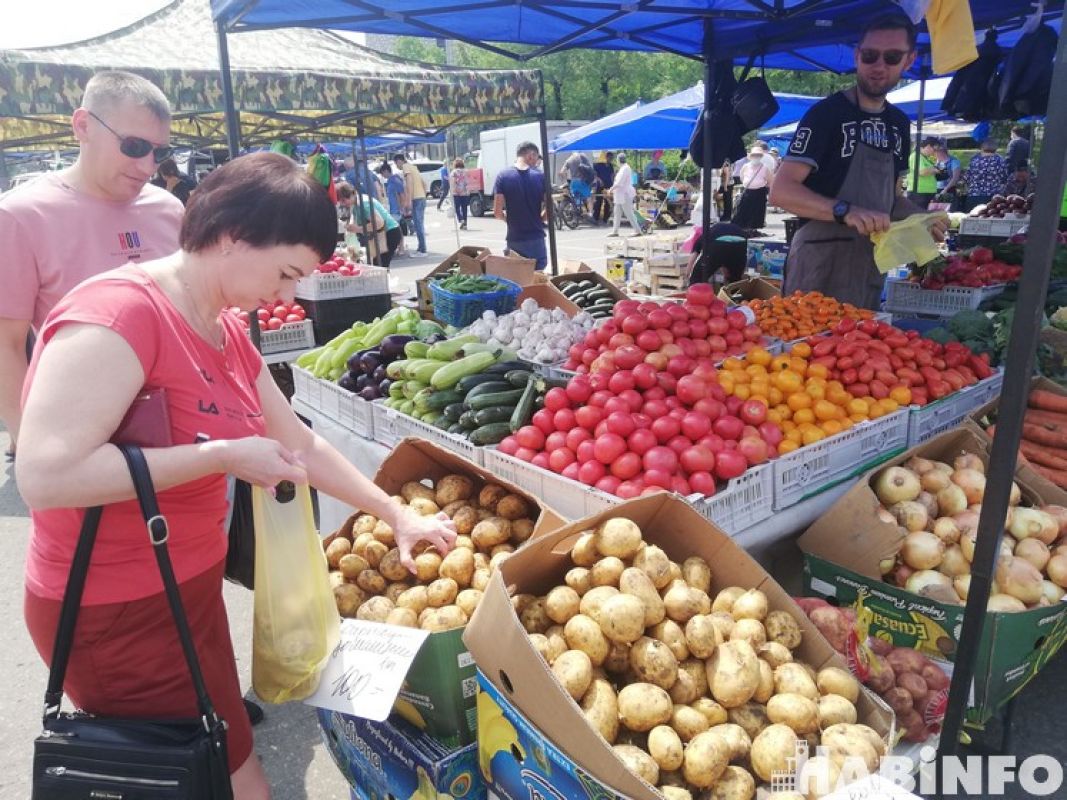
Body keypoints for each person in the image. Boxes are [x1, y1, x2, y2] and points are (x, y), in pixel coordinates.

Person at [16, 152, 458, 800]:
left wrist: (395, 513)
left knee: (217, 755)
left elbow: (298, 442)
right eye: (283, 273)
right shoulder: (120, 315)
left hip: (184, 588)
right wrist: (219, 456)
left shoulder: (223, 326)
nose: (284, 296)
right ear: (231, 237)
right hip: (112, 609)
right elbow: (46, 476)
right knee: (211, 774)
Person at [0, 71, 184, 461]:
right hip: (83, 440)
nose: (148, 165)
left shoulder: (169, 210)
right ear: (83, 126)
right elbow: (7, 344)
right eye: (134, 146)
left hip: (183, 431)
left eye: (160, 152)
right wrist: (31, 446)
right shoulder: (21, 215)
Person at [769, 15, 944, 310]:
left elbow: (893, 199)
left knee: (858, 350)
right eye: (870, 55)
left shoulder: (899, 125)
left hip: (868, 263)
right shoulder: (826, 115)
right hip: (818, 260)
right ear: (857, 55)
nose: (879, 66)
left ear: (909, 60)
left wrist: (920, 219)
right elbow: (781, 191)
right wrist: (844, 210)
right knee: (804, 350)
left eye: (891, 57)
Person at [493, 141, 547, 270]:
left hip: (515, 239)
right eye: (536, 158)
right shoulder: (540, 176)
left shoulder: (503, 176)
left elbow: (497, 212)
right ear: (530, 155)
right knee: (538, 278)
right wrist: (540, 219)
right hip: (536, 238)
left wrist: (508, 219)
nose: (536, 163)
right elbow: (550, 208)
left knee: (517, 278)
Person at [337, 181, 403, 268]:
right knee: (379, 265)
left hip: (389, 233)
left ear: (351, 194)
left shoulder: (363, 203)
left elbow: (378, 223)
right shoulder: (357, 203)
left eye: (344, 200)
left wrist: (358, 229)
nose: (343, 204)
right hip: (386, 234)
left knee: (380, 266)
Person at [731, 146, 774, 230]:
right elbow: (742, 177)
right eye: (754, 155)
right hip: (748, 191)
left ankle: (754, 227)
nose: (756, 157)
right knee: (744, 209)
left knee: (757, 210)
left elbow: (769, 180)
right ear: (751, 156)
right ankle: (742, 226)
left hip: (759, 191)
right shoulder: (746, 166)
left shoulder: (764, 168)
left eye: (758, 155)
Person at [393, 153, 427, 254]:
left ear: (400, 161)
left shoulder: (406, 167)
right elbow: (424, 183)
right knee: (419, 224)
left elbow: (409, 184)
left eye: (396, 164)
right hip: (421, 197)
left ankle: (422, 249)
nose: (397, 166)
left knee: (418, 224)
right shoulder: (414, 167)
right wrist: (423, 194)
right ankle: (421, 247)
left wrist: (409, 200)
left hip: (416, 198)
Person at [964, 139, 1010, 211]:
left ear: (982, 148)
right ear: (995, 148)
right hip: (994, 197)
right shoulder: (1000, 161)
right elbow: (1004, 178)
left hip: (975, 195)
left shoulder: (974, 160)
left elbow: (967, 178)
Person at [608, 153, 644, 237]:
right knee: (617, 213)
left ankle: (638, 230)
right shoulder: (623, 168)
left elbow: (619, 183)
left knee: (629, 213)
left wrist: (611, 189)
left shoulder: (625, 168)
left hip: (624, 194)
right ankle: (615, 231)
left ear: (618, 160)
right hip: (620, 195)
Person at [907, 136, 940, 209]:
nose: (934, 152)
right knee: (919, 217)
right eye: (934, 150)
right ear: (928, 146)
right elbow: (922, 172)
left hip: (925, 192)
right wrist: (935, 170)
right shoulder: (916, 156)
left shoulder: (925, 158)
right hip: (919, 193)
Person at [560, 151, 594, 217]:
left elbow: (562, 172)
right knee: (589, 198)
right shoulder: (582, 156)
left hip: (573, 182)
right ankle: (590, 214)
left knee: (576, 198)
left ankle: (576, 211)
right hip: (581, 181)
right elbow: (589, 168)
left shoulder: (569, 160)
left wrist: (565, 180)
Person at [934, 141, 962, 209]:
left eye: (936, 152)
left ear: (942, 152)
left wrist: (945, 189)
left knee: (947, 211)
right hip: (937, 189)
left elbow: (955, 178)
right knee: (938, 211)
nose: (935, 155)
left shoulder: (954, 161)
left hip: (948, 190)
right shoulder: (938, 161)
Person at [593, 152, 615, 224]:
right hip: (600, 186)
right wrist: (599, 180)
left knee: (608, 203)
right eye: (610, 158)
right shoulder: (598, 165)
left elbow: (612, 175)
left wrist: (613, 184)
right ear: (606, 157)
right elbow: (595, 175)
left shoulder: (611, 166)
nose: (611, 159)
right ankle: (595, 218)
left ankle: (605, 219)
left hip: (609, 185)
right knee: (598, 201)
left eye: (612, 158)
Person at [449, 158, 471, 230]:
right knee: (464, 208)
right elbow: (468, 182)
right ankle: (465, 224)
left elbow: (452, 181)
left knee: (457, 207)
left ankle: (461, 219)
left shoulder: (453, 172)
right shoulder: (466, 172)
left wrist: (454, 189)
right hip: (465, 192)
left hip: (456, 193)